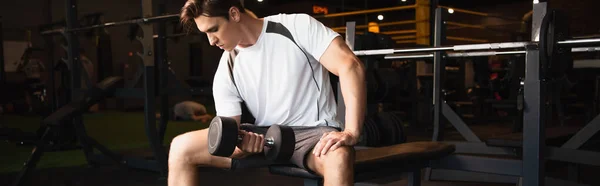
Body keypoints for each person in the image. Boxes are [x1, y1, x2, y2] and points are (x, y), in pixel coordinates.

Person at [169, 0, 366, 186]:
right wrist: (241, 146)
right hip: (266, 135)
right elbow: (229, 136)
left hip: (313, 135)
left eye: (214, 29)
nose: (211, 41)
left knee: (339, 157)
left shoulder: (296, 26)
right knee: (181, 147)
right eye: (205, 33)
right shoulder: (227, 66)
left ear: (234, 14)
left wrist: (351, 131)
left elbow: (350, 65)